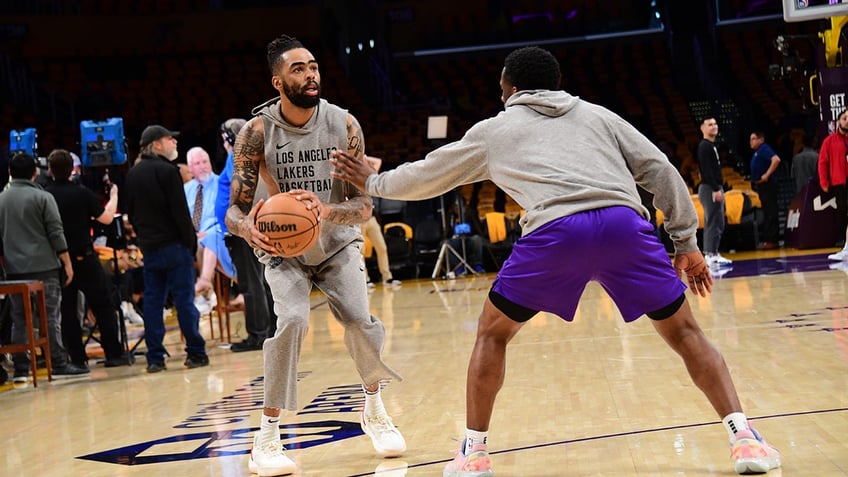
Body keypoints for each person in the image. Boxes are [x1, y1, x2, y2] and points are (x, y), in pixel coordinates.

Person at [331, 46, 781, 476]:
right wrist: (685, 241)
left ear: (507, 88)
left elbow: (429, 174)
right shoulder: (598, 114)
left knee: (492, 334)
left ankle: (473, 453)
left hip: (555, 232)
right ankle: (744, 438)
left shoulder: (495, 129)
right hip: (623, 226)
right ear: (557, 84)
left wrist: (374, 181)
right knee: (685, 333)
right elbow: (660, 168)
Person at [224, 34, 405, 476]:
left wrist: (326, 211)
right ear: (278, 80)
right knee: (293, 322)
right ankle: (267, 434)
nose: (310, 75)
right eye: (299, 69)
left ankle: (374, 408)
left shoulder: (344, 125)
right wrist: (248, 229)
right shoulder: (257, 132)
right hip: (283, 251)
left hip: (337, 244)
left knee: (361, 320)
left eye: (314, 67)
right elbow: (234, 210)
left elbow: (364, 206)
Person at [125, 125, 209, 373]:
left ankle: (155, 358)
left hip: (150, 249)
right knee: (184, 301)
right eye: (169, 139)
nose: (174, 142)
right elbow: (180, 213)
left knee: (153, 303)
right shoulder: (168, 171)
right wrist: (191, 244)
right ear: (157, 144)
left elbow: (132, 215)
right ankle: (195, 352)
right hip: (174, 246)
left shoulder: (133, 174)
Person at [0, 153, 90, 381]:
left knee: (20, 318)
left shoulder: (1, 199)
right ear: (35, 173)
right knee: (50, 316)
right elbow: (55, 233)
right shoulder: (43, 197)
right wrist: (67, 263)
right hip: (44, 268)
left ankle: (21, 368)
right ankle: (58, 362)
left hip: (13, 270)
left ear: (10, 173)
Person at [45, 149, 133, 368]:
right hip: (84, 257)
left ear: (50, 170)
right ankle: (113, 353)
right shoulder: (81, 192)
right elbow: (105, 219)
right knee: (103, 305)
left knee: (68, 312)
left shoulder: (45, 195)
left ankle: (77, 359)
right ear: (73, 170)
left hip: (58, 261)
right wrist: (113, 197)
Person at [215, 117, 276, 352]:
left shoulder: (236, 156)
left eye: (224, 138)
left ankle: (258, 334)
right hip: (251, 225)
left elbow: (238, 189)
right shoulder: (252, 154)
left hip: (241, 229)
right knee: (261, 281)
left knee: (252, 284)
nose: (223, 143)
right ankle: (271, 328)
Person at [184, 146, 235, 314]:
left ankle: (205, 285)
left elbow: (223, 214)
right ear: (190, 168)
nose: (203, 166)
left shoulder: (221, 183)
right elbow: (182, 217)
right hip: (192, 236)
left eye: (205, 161)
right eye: (197, 163)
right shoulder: (186, 189)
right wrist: (191, 234)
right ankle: (205, 288)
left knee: (209, 238)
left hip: (216, 232)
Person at [696, 117, 733, 266]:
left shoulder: (711, 146)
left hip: (712, 187)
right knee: (713, 221)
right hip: (710, 188)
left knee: (718, 221)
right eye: (710, 124)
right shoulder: (704, 146)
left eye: (715, 124)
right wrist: (716, 188)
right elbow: (706, 171)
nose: (714, 126)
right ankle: (710, 254)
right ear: (702, 129)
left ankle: (713, 252)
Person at [362, 156, 401, 287]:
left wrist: (364, 156)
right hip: (358, 220)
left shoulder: (368, 176)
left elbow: (378, 162)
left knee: (382, 247)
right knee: (360, 252)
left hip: (371, 218)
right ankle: (365, 280)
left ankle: (387, 278)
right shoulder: (351, 176)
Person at [819, 108, 848, 260]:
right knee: (842, 212)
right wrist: (824, 181)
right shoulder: (829, 141)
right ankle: (844, 243)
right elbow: (823, 162)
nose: (847, 121)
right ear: (838, 122)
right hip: (839, 182)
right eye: (844, 118)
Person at [748, 131, 782, 250]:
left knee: (771, 212)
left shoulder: (764, 149)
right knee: (767, 212)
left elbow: (776, 159)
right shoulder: (758, 152)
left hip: (768, 185)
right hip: (761, 186)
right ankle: (769, 239)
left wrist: (767, 174)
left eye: (753, 139)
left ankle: (772, 240)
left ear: (761, 139)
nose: (751, 142)